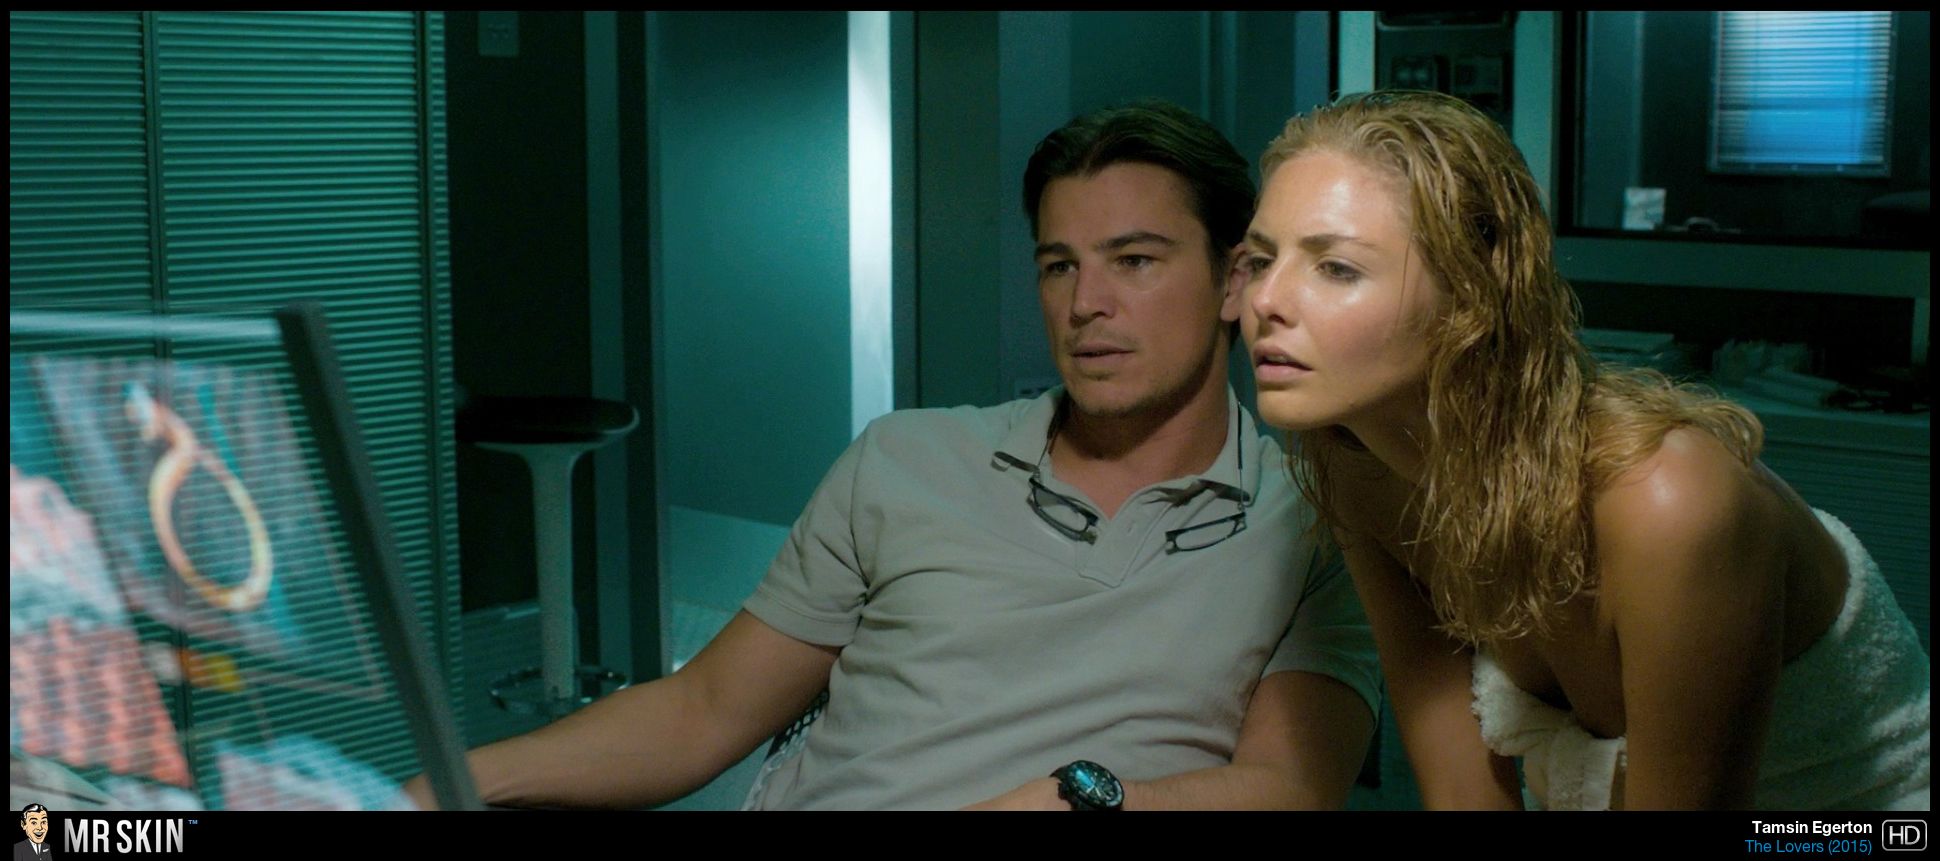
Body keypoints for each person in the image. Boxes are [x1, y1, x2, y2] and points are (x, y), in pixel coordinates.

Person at [409, 100, 1381, 811]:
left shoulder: (1310, 524)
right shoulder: (908, 456)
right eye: (1059, 266)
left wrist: (1075, 801)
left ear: (1232, 282)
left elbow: (1290, 787)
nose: (1087, 304)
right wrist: (438, 785)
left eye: (1134, 261)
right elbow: (703, 710)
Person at [1232, 89, 1930, 810]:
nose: (1264, 300)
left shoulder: (1667, 501)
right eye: (1260, 259)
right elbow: (1462, 790)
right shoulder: (1358, 466)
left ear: (1472, 297)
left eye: (1336, 267)